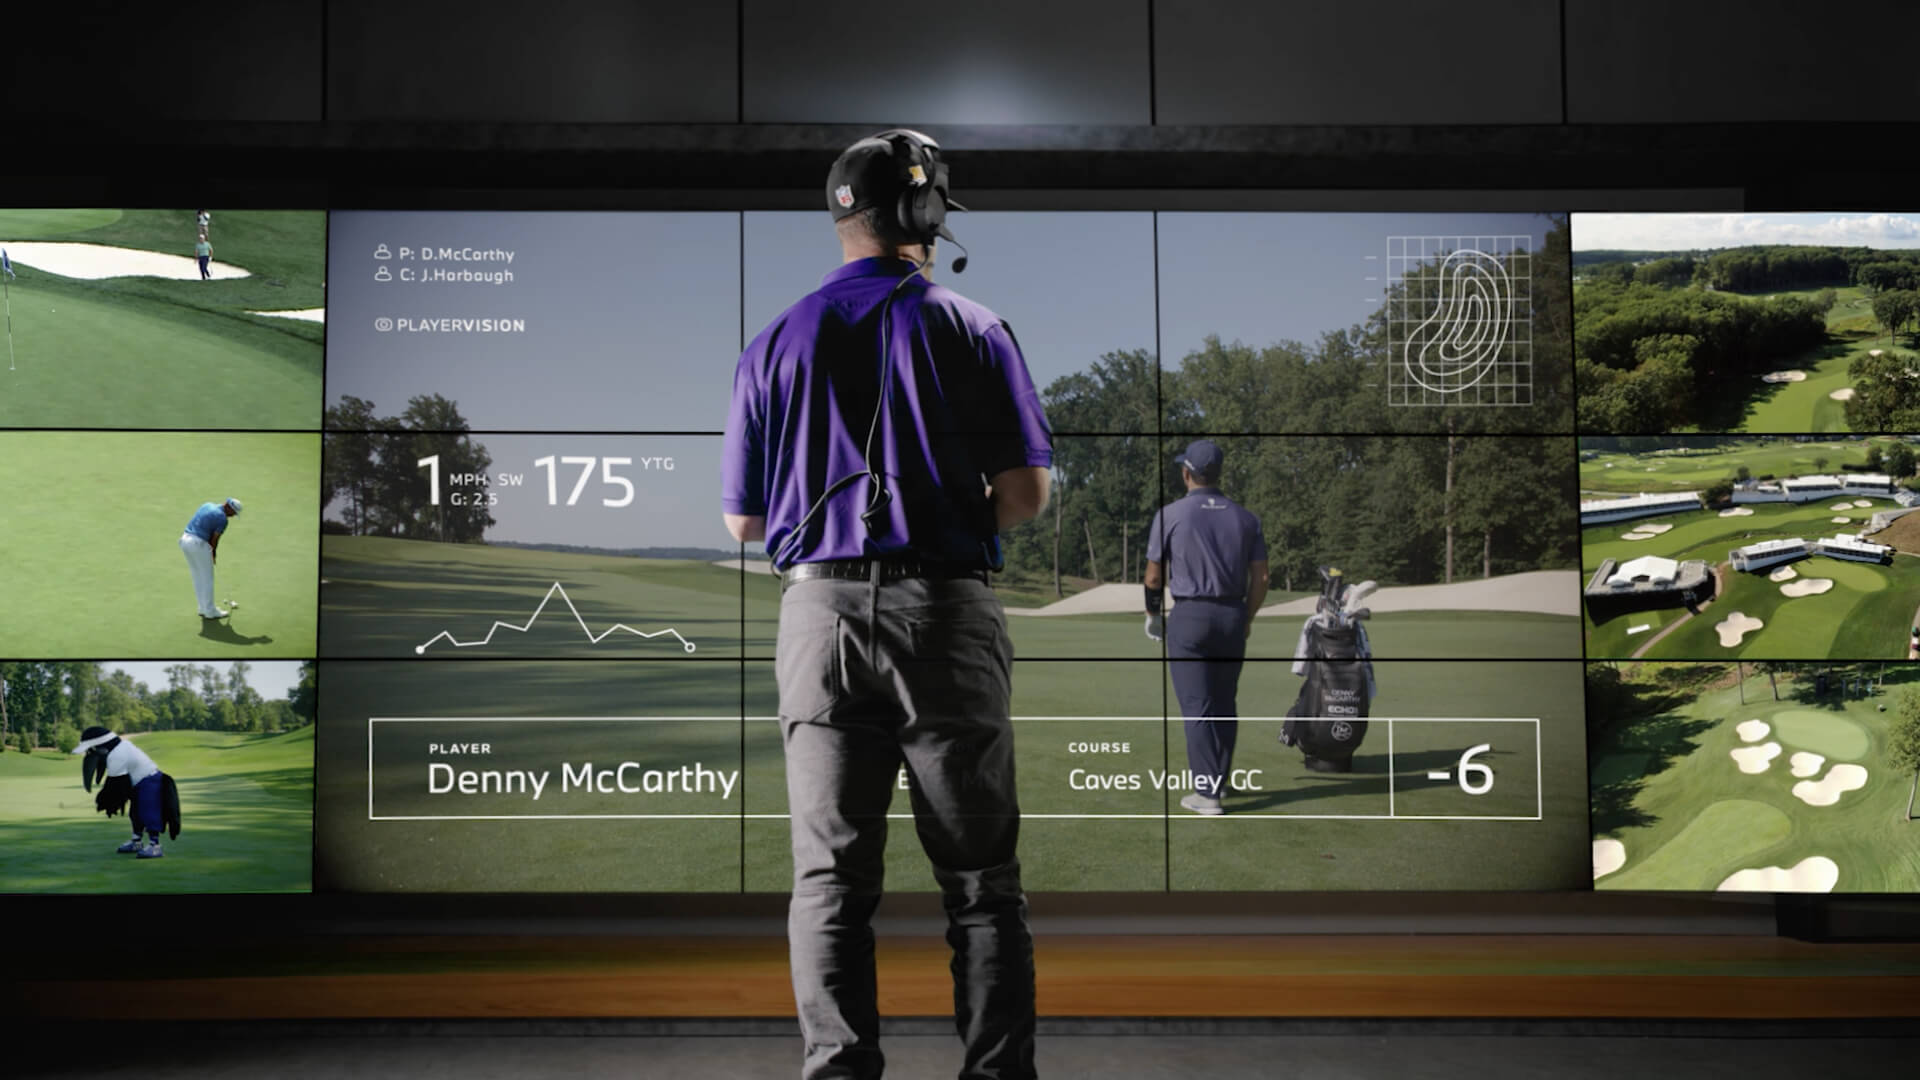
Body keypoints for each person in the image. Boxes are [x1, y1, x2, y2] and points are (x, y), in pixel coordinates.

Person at [722, 128, 1052, 1080]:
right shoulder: (972, 325)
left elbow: (744, 522)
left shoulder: (772, 341)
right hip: (944, 613)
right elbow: (1025, 494)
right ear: (924, 212)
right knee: (982, 884)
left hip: (815, 617)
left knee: (830, 881)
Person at [1144, 440, 1269, 815]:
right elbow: (1261, 578)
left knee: (1197, 707)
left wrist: (1152, 615)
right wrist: (1247, 617)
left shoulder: (1169, 514)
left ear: (1186, 473)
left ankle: (1207, 794)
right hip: (1232, 615)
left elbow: (1154, 577)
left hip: (1189, 617)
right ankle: (1219, 781)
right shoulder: (1247, 518)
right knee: (1225, 702)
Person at [73, 726, 180, 859]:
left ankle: (155, 846)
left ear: (101, 746)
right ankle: (136, 842)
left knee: (148, 813)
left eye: (92, 748)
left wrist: (103, 801)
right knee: (135, 813)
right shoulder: (121, 747)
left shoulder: (116, 755)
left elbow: (115, 786)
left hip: (150, 781)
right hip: (138, 783)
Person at [181, 497, 241, 619]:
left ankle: (202, 608)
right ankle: (210, 611)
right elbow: (214, 539)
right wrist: (213, 553)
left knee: (198, 576)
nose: (233, 516)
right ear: (229, 508)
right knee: (207, 579)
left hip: (185, 541)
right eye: (234, 513)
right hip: (198, 544)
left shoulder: (207, 504)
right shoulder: (223, 519)